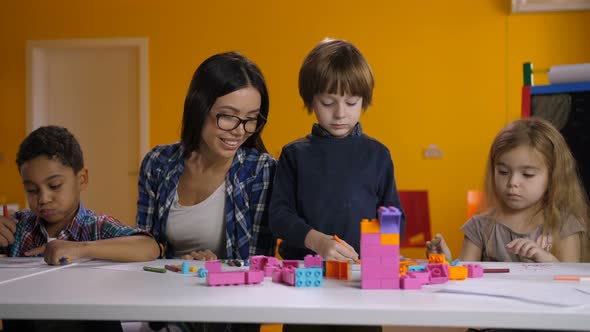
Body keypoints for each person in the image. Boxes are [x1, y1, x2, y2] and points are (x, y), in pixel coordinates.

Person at [0, 125, 159, 332]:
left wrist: (81, 249)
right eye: (31, 190)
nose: (43, 198)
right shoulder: (18, 228)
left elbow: (149, 247)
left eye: (55, 185)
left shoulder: (96, 227)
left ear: (81, 179)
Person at [270, 37, 405, 264]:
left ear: (364, 101)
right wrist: (317, 241)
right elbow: (279, 217)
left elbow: (394, 218)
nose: (340, 113)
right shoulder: (295, 155)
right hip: (304, 269)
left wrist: (386, 252)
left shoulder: (378, 155)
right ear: (311, 100)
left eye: (351, 102)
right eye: (327, 102)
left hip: (360, 271)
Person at [136, 51, 276, 261]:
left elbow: (257, 265)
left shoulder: (261, 172)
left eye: (251, 118)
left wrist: (219, 265)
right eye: (228, 116)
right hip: (167, 288)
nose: (240, 131)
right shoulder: (157, 163)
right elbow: (144, 245)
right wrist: (176, 265)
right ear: (199, 108)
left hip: (233, 291)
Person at [428, 117, 588, 263]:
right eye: (503, 172)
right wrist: (444, 263)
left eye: (527, 174)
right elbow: (465, 277)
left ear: (553, 176)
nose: (512, 182)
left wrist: (548, 261)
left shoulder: (565, 225)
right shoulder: (478, 226)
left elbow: (570, 282)